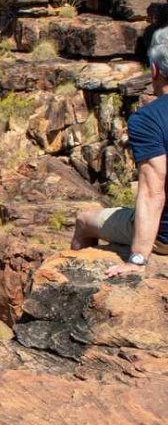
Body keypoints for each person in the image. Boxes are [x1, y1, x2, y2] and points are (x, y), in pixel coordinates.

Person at [71, 25, 168, 277]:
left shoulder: (149, 119)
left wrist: (137, 259)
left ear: (154, 70)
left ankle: (77, 276)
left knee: (84, 220)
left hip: (165, 236)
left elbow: (153, 192)